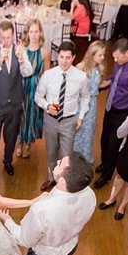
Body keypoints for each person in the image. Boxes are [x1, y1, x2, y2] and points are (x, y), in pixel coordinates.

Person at [93, 38, 128, 189]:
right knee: (104, 140)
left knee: (113, 145)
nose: (115, 60)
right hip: (110, 108)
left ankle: (106, 175)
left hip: (123, 113)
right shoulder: (119, 63)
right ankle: (105, 164)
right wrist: (100, 85)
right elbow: (114, 79)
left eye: (118, 57)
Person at [34, 41, 90, 192]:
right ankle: (52, 179)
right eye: (61, 57)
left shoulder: (81, 77)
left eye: (67, 57)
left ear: (73, 58)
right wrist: (47, 106)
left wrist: (81, 117)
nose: (64, 61)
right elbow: (38, 97)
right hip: (51, 120)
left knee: (66, 156)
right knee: (51, 152)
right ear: (57, 56)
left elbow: (85, 97)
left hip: (69, 121)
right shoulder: (48, 75)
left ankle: (64, 183)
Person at [0, 21, 34, 176]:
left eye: (8, 37)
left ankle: (7, 161)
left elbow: (28, 73)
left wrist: (21, 59)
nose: (6, 41)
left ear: (14, 36)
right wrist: (0, 60)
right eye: (3, 38)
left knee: (11, 137)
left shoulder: (20, 51)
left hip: (15, 104)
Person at [17, 19, 50, 159]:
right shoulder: (22, 50)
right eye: (31, 31)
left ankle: (28, 143)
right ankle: (19, 141)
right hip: (21, 85)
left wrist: (45, 93)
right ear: (27, 33)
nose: (34, 35)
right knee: (21, 114)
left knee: (31, 115)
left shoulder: (44, 52)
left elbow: (46, 73)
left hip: (36, 86)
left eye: (36, 31)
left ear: (40, 33)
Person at [73, 41, 108, 166]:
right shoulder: (80, 67)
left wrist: (112, 82)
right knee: (78, 131)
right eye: (100, 55)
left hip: (92, 104)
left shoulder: (99, 68)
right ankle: (74, 158)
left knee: (89, 131)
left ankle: (85, 157)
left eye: (103, 55)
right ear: (92, 54)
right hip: (80, 103)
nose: (103, 57)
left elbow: (98, 86)